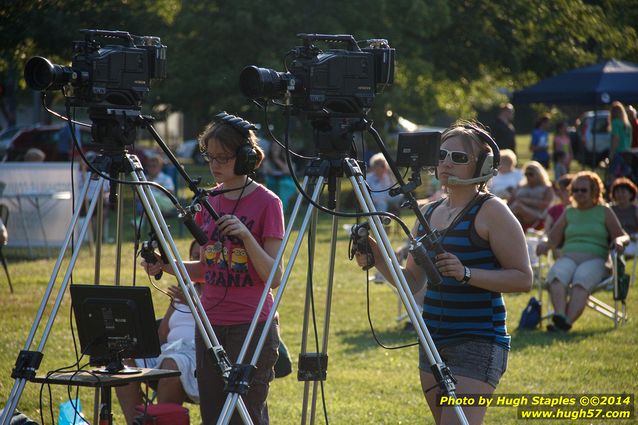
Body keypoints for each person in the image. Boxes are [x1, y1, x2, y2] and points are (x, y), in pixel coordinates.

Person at [355, 121, 532, 425]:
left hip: (477, 340)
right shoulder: (429, 212)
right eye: (442, 154)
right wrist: (376, 255)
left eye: (458, 157)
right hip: (432, 340)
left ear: (483, 164)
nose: (447, 162)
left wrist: (466, 273)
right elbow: (410, 283)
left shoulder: (492, 211)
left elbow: (523, 278)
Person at [142, 112, 284, 425]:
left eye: (223, 157)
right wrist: (164, 265)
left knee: (245, 416)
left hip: (250, 327)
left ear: (246, 158)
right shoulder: (211, 200)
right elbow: (208, 269)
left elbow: (274, 277)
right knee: (214, 417)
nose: (214, 165)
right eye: (210, 157)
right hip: (208, 327)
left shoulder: (267, 202)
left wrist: (246, 236)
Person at [536, 171, 628, 332]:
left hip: (596, 260)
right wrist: (544, 244)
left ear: (594, 191)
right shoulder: (569, 212)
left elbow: (621, 236)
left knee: (581, 280)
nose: (578, 193)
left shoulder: (604, 211)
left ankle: (566, 323)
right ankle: (559, 316)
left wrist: (619, 241)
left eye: (583, 190)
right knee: (557, 276)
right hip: (569, 257)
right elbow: (552, 239)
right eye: (575, 190)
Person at [115, 283, 200, 424]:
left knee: (171, 364)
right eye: (194, 258)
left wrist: (193, 304)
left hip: (198, 355)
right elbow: (162, 333)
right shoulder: (184, 289)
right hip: (169, 349)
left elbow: (218, 331)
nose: (195, 260)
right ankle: (136, 422)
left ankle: (163, 420)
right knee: (124, 363)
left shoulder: (219, 291)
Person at [508, 161, 554, 232]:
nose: (528, 177)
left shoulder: (546, 187)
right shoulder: (520, 186)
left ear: (538, 174)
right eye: (526, 174)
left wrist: (525, 201)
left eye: (531, 174)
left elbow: (545, 205)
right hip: (518, 214)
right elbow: (510, 201)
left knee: (517, 207)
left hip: (538, 215)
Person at [264, 141, 296, 216]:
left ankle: (281, 209)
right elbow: (267, 170)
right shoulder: (267, 159)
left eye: (277, 148)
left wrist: (276, 159)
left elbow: (288, 171)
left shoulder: (286, 158)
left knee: (282, 185)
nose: (275, 150)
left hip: (286, 181)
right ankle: (276, 209)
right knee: (275, 185)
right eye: (273, 148)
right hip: (273, 181)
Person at [609, 177, 638, 257]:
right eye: (617, 192)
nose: (620, 195)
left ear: (631, 194)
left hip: (631, 243)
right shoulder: (609, 209)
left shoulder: (635, 210)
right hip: (611, 242)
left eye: (623, 192)